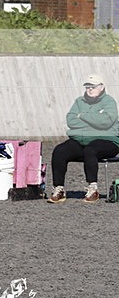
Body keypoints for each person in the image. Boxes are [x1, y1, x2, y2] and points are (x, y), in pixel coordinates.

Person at [47, 74, 119, 204]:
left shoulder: (109, 102)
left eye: (93, 86)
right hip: (81, 139)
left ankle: (93, 189)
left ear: (102, 87)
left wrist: (82, 116)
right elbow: (71, 121)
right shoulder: (79, 102)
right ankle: (59, 188)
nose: (90, 89)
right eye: (87, 87)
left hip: (107, 140)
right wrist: (95, 121)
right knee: (59, 150)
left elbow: (106, 122)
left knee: (91, 150)